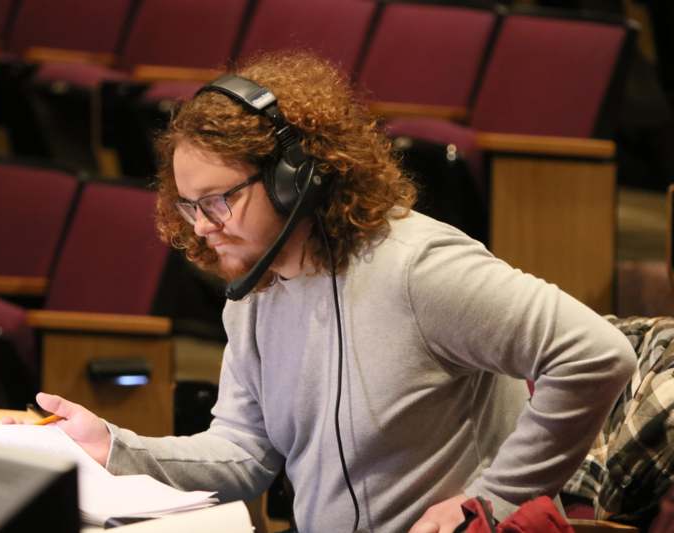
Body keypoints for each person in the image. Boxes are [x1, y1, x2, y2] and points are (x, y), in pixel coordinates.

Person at [32, 51, 636, 532]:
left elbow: (596, 355)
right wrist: (115, 448)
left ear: (298, 177)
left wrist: (492, 501)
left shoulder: (418, 267)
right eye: (189, 207)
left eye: (220, 200)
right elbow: (245, 453)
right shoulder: (255, 292)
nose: (203, 226)